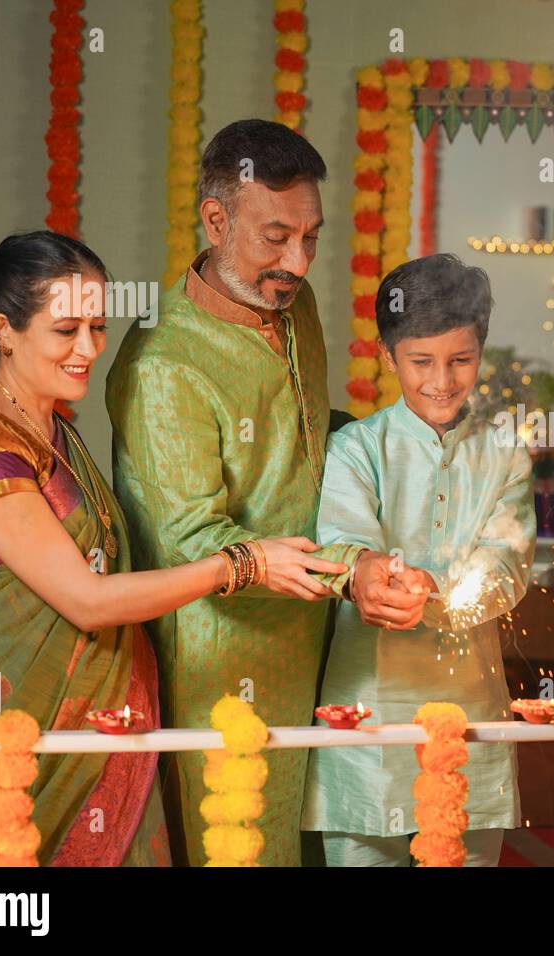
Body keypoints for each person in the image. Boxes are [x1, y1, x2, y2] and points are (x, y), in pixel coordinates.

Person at [0, 231, 343, 866]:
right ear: (5, 330)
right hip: (19, 714)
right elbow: (86, 601)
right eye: (66, 330)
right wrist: (243, 562)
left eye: (98, 325)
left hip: (111, 716)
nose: (90, 348)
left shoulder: (56, 428)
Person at [106, 120, 410, 866]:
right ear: (216, 220)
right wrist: (350, 569)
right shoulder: (162, 367)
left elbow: (303, 434)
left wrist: (399, 441)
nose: (297, 261)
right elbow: (193, 542)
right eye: (275, 236)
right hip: (219, 657)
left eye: (310, 236)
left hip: (315, 639)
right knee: (236, 845)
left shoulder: (286, 305)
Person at [302, 254, 535, 866]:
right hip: (365, 716)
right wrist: (365, 575)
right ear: (387, 355)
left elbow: (506, 567)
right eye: (420, 361)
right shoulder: (355, 448)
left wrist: (438, 595)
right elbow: (340, 544)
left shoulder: (505, 453)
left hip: (469, 718)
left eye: (460, 360)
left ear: (481, 351)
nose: (442, 380)